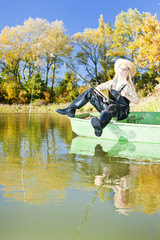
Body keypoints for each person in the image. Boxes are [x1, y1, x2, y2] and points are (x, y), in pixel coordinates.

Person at [56, 59, 139, 137]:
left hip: (121, 112)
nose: (121, 70)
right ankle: (70, 109)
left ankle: (100, 126)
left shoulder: (128, 85)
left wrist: (126, 95)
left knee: (112, 107)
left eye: (124, 69)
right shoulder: (111, 83)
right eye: (120, 68)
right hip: (108, 109)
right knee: (91, 91)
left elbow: (136, 101)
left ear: (128, 72)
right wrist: (103, 97)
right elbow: (98, 88)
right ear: (118, 70)